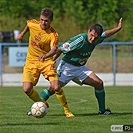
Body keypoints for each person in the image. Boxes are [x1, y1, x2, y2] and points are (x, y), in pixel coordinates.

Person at [36, 18, 123, 115]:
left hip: (80, 68)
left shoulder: (96, 39)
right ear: (88, 31)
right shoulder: (80, 39)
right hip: (67, 68)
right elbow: (60, 49)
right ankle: (34, 108)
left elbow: (106, 34)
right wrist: (52, 61)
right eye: (91, 35)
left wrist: (118, 28)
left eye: (96, 37)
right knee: (53, 89)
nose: (93, 39)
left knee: (99, 83)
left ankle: (102, 110)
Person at [17, 7, 74, 117]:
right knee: (26, 89)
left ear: (51, 20)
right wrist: (22, 34)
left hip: (47, 61)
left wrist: (46, 55)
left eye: (46, 20)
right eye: (42, 19)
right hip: (31, 61)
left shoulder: (53, 34)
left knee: (56, 87)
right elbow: (28, 25)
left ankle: (67, 110)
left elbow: (54, 49)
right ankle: (43, 103)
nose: (43, 22)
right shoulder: (33, 24)